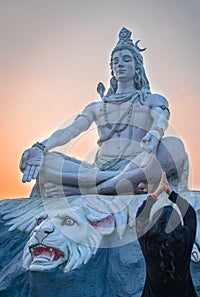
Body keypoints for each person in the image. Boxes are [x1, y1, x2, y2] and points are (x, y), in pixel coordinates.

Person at [19, 27, 187, 197]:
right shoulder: (97, 107)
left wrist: (155, 133)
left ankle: (87, 190)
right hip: (98, 171)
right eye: (115, 62)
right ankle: (118, 183)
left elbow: (161, 117)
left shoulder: (152, 100)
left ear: (137, 67)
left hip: (137, 164)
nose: (119, 64)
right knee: (46, 162)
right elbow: (70, 131)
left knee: (175, 147)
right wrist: (40, 148)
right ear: (111, 69)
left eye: (126, 60)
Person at [136, 172, 199, 297]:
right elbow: (190, 214)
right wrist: (171, 193)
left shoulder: (147, 241)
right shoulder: (184, 241)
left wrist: (157, 192)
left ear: (155, 223)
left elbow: (141, 215)